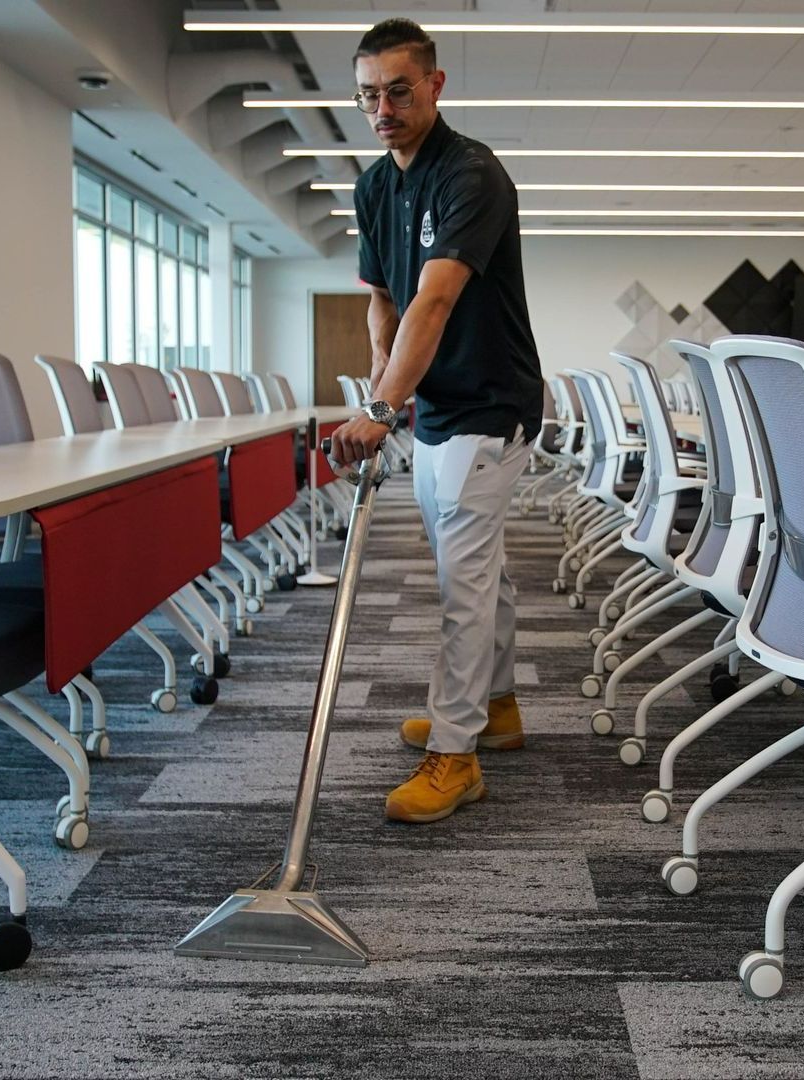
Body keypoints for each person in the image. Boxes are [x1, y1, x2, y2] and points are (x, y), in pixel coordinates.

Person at [330, 18, 543, 825]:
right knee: (480, 565)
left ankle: (456, 753)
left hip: (491, 405)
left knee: (462, 583)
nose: (381, 109)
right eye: (367, 96)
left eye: (397, 91)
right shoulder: (373, 185)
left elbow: (437, 296)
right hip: (437, 410)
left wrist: (383, 408)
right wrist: (388, 392)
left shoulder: (472, 176)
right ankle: (499, 708)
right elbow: (384, 298)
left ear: (435, 85)